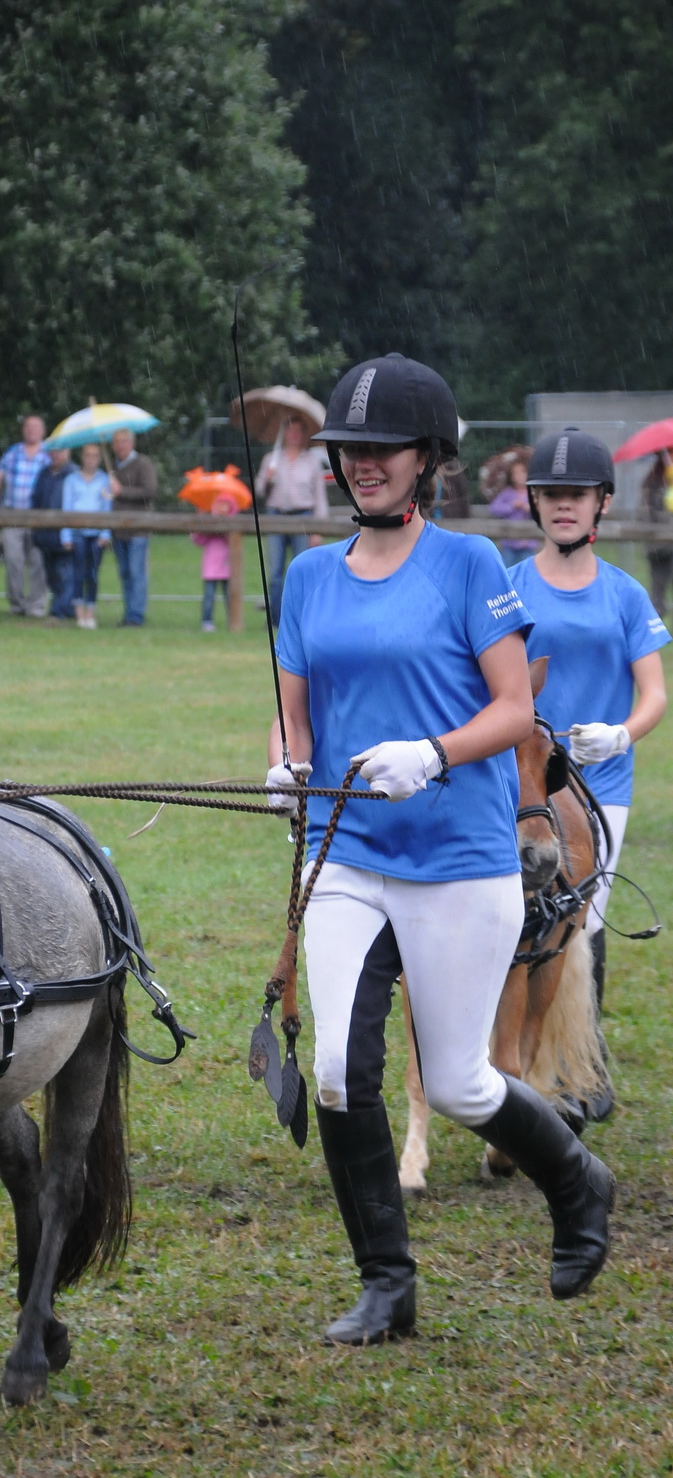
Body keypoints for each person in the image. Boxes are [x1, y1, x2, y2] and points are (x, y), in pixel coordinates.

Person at [267, 353, 616, 1347]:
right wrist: (285, 767)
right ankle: (386, 1282)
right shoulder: (304, 577)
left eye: (383, 450)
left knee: (461, 1081)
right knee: (338, 1064)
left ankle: (574, 1180)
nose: (363, 465)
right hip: (343, 854)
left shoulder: (467, 566)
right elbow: (292, 719)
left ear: (426, 459)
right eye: (349, 451)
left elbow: (514, 709)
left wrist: (430, 752)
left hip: (458, 856)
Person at [508, 427, 669, 1017]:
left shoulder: (626, 595)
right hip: (527, 782)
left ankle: (582, 1058)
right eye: (552, 494)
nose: (564, 504)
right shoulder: (509, 588)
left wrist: (623, 734)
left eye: (578, 493)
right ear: (536, 502)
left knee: (585, 912)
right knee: (516, 911)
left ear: (602, 500)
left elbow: (655, 692)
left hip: (602, 783)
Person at [255, 411, 328, 623]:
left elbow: (319, 498)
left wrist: (317, 530)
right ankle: (275, 619)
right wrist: (267, 479)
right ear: (284, 433)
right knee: (276, 572)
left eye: (298, 431)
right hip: (277, 516)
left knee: (300, 570)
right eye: (290, 430)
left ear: (304, 435)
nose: (294, 435)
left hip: (303, 517)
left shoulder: (312, 462)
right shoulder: (271, 459)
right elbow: (260, 491)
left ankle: (299, 617)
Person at [0, 415, 51, 616]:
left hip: (39, 516)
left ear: (43, 431)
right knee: (13, 560)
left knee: (38, 561)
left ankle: (36, 605)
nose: (31, 430)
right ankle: (17, 603)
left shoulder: (49, 454)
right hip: (12, 514)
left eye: (36, 427)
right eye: (28, 427)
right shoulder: (13, 453)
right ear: (23, 430)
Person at [61, 442, 114, 628]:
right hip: (77, 532)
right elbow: (66, 509)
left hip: (97, 533)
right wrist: (66, 536)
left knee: (92, 573)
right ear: (82, 458)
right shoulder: (71, 480)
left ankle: (91, 611)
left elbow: (107, 509)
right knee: (77, 572)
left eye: (95, 456)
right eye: (88, 455)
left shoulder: (106, 480)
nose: (91, 459)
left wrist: (106, 533)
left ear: (99, 459)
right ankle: (79, 612)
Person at [110, 428, 156, 626]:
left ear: (132, 443)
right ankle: (129, 612)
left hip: (138, 529)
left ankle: (136, 615)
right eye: (117, 442)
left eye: (124, 441)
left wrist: (122, 491)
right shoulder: (112, 467)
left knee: (137, 572)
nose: (120, 445)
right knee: (125, 573)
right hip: (118, 529)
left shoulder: (143, 463)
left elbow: (150, 490)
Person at [31, 447, 79, 622]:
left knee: (65, 573)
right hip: (44, 534)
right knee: (51, 575)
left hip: (66, 533)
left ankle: (58, 611)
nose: (56, 455)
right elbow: (35, 500)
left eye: (60, 451)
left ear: (68, 452)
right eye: (53, 451)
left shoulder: (74, 474)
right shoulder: (43, 474)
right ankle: (67, 608)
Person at [192, 493, 236, 632]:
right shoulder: (208, 523)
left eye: (225, 505)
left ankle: (233, 621)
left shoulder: (233, 524)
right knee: (209, 596)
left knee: (230, 596)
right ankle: (207, 620)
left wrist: (223, 524)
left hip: (227, 566)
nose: (221, 508)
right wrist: (203, 524)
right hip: (210, 567)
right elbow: (198, 540)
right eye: (219, 505)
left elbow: (232, 540)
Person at [485, 449, 536, 567]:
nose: (519, 477)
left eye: (522, 473)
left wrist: (530, 509)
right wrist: (511, 506)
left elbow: (541, 511)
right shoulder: (507, 493)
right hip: (509, 543)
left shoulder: (533, 493)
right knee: (508, 572)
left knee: (527, 572)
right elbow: (494, 509)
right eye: (516, 473)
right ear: (511, 476)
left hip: (528, 543)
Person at [641, 450, 673, 616]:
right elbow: (647, 513)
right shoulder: (652, 481)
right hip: (658, 546)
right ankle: (657, 631)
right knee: (658, 591)